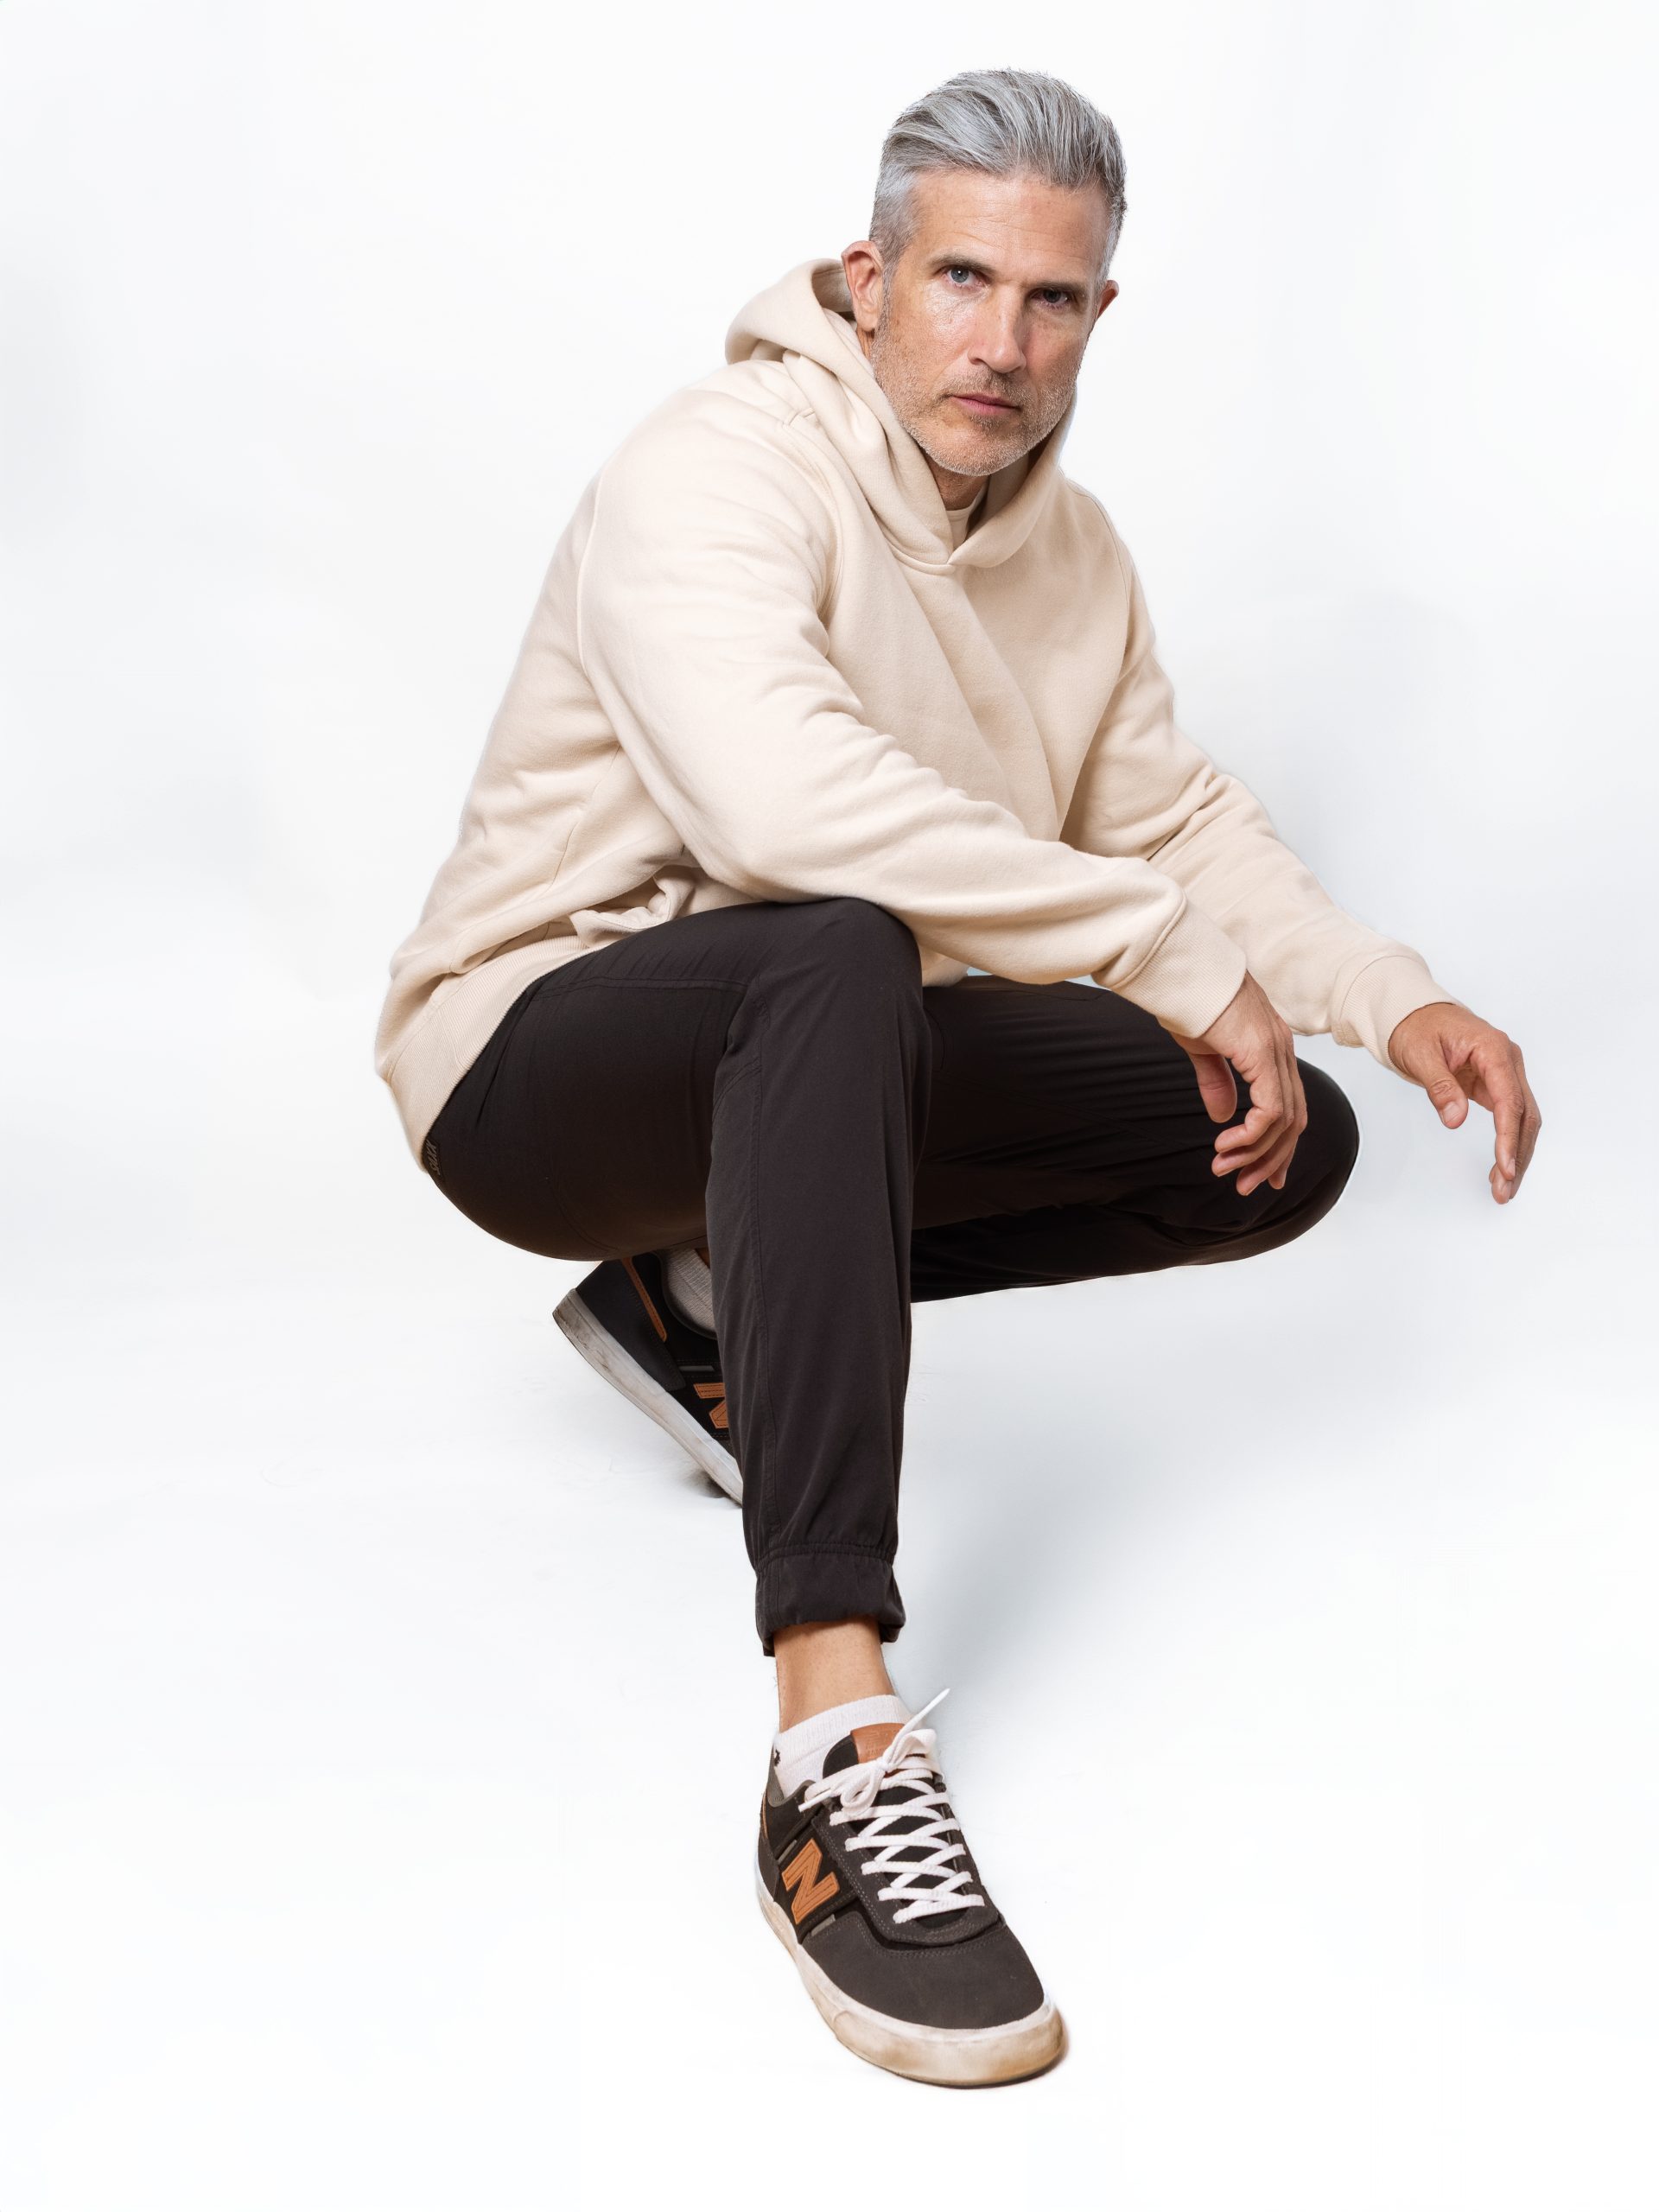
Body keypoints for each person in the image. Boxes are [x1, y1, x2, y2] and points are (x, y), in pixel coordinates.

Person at [372, 67, 1541, 2086]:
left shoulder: (1073, 556)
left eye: (1053, 297)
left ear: (1101, 315)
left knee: (1273, 1136)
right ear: (868, 276)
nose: (1003, 341)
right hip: (530, 1057)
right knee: (831, 943)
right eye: (962, 281)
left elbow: (1170, 816)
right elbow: (778, 801)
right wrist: (1163, 951)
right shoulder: (714, 465)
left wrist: (1380, 988)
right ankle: (833, 1731)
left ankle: (695, 1303)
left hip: (801, 1065)